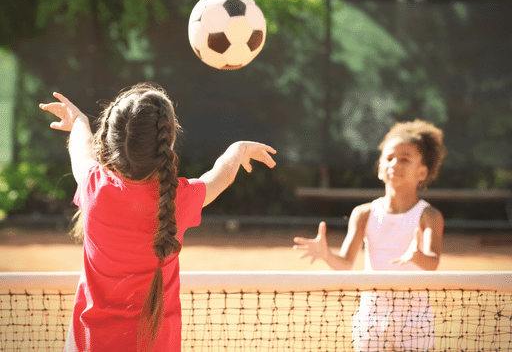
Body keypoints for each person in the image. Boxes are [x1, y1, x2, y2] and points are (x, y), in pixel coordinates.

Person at [39, 83, 276, 352]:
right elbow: (218, 177)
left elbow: (81, 151)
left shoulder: (95, 188)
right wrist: (238, 150)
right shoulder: (178, 200)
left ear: (109, 139)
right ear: (169, 141)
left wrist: (79, 121)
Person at [293, 119, 446, 352]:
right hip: (371, 319)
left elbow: (432, 263)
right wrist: (326, 254)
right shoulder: (363, 213)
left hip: (415, 321)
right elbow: (345, 264)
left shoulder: (430, 216)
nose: (395, 163)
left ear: (422, 172)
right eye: (389, 158)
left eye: (405, 159)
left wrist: (416, 256)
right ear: (380, 169)